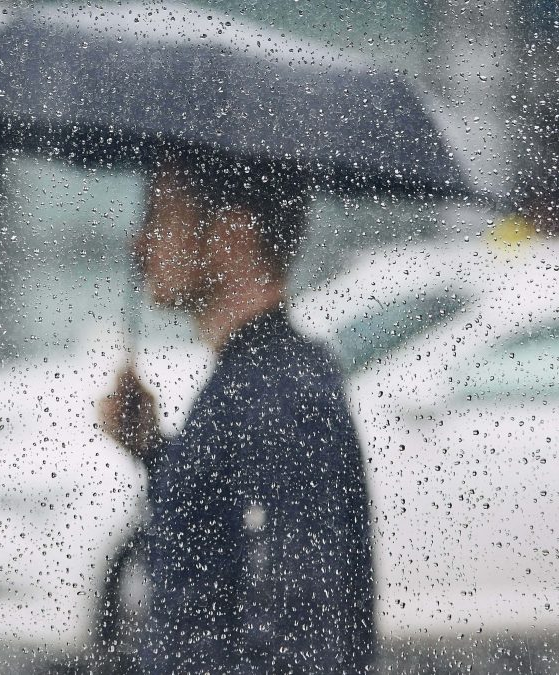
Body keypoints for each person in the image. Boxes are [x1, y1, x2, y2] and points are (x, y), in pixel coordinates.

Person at [99, 157, 375, 673]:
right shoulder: (258, 376)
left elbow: (304, 621)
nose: (138, 246)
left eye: (161, 217)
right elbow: (216, 544)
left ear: (233, 234)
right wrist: (153, 450)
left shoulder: (280, 392)